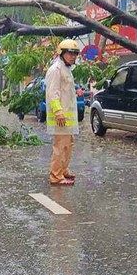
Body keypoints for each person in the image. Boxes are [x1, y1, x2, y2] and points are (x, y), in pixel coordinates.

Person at [46, 39, 80, 186]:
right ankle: (56, 176)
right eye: (70, 53)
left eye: (75, 53)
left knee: (68, 145)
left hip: (68, 118)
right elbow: (52, 93)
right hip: (60, 117)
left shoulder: (66, 69)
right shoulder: (56, 70)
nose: (73, 56)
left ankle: (63, 170)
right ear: (62, 53)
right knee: (60, 147)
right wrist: (58, 112)